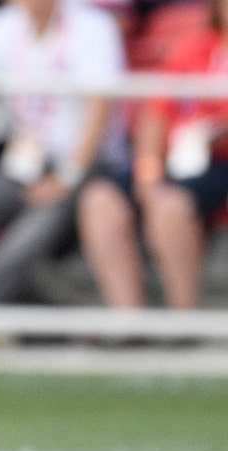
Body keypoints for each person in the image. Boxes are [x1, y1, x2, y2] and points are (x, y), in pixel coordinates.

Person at [0, 0, 128, 305]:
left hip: (84, 164)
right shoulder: (3, 24)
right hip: (23, 160)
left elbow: (99, 113)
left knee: (32, 232)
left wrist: (67, 177)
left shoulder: (93, 27)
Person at [77, 0, 228, 312]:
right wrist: (148, 170)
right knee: (100, 199)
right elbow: (155, 115)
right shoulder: (193, 48)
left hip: (219, 163)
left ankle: (182, 319)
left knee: (169, 206)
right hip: (177, 159)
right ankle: (129, 321)